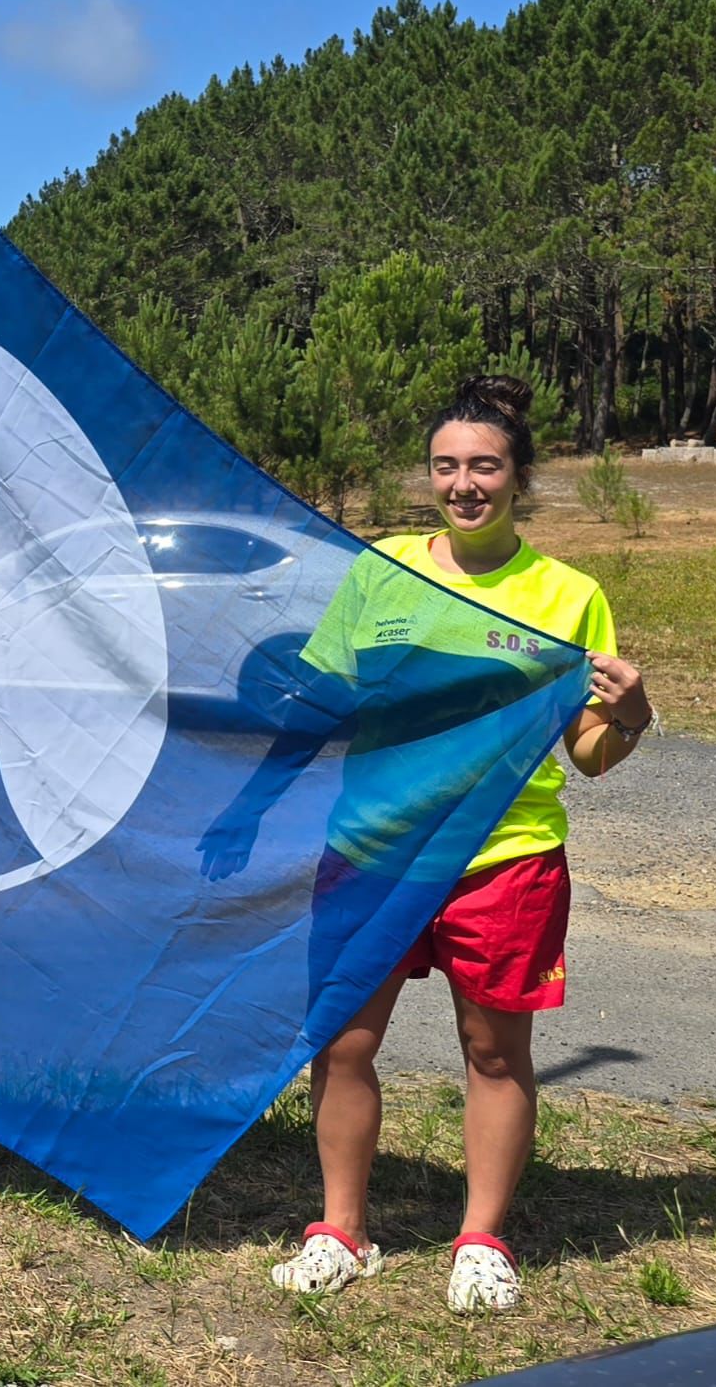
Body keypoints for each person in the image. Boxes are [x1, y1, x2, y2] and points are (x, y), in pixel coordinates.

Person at [268, 375, 652, 1315]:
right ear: (430, 475)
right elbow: (318, 707)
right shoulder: (381, 572)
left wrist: (632, 711)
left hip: (506, 858)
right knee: (345, 1045)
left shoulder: (568, 596)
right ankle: (341, 1233)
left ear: (520, 477)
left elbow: (590, 754)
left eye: (485, 465)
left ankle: (481, 1240)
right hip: (374, 849)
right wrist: (242, 799)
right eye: (447, 465)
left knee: (493, 1052)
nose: (464, 483)